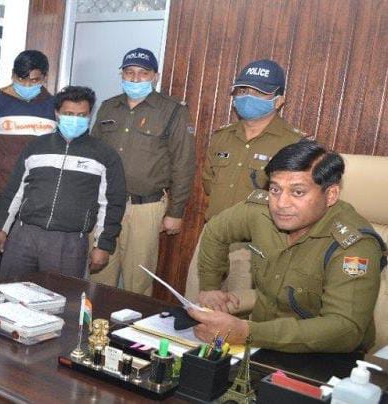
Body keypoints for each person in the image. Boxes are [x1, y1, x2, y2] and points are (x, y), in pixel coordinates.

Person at [189, 141, 383, 353]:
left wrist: (248, 332)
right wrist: (210, 287)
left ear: (331, 195)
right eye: (275, 189)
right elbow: (216, 230)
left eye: (297, 192)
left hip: (324, 355)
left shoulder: (354, 245)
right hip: (260, 343)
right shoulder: (260, 212)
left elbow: (345, 329)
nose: (281, 203)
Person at [184, 59, 304, 304]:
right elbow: (209, 182)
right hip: (213, 236)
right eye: (243, 90)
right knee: (197, 306)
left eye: (259, 92)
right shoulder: (222, 136)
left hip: (256, 244)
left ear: (279, 100)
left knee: (241, 312)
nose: (248, 97)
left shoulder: (293, 144)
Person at [0, 86, 126, 279]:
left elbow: (111, 204)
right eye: (69, 114)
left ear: (89, 115)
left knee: (61, 295)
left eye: (81, 115)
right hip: (24, 235)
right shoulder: (36, 146)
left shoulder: (105, 155)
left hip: (69, 243)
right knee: (10, 291)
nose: (75, 119)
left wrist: (103, 245)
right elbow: (14, 191)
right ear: (57, 113)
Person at [90, 48, 196, 296]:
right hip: (105, 206)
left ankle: (133, 324)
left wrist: (176, 212)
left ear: (154, 76)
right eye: (129, 72)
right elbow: (93, 155)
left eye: (143, 73)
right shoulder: (108, 107)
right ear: (122, 74)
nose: (135, 78)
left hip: (145, 209)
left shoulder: (173, 110)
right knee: (98, 275)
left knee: (138, 282)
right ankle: (96, 321)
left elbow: (183, 162)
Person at [0, 50, 56, 281]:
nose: (27, 85)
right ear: (13, 75)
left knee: (38, 256)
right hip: (4, 190)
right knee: (1, 253)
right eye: (21, 79)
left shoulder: (54, 106)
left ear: (44, 78)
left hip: (43, 193)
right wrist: (2, 162)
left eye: (34, 80)